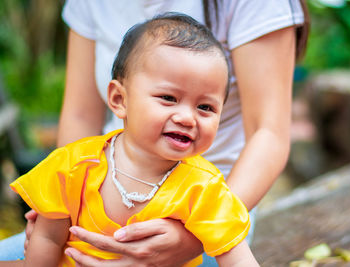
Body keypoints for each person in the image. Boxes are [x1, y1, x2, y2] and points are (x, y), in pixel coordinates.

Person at [0, 0, 309, 266]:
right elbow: (80, 116)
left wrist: (191, 238)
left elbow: (268, 133)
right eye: (168, 98)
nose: (187, 117)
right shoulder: (77, 165)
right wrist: (58, 211)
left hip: (209, 215)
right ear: (119, 99)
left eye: (205, 107)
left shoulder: (204, 191)